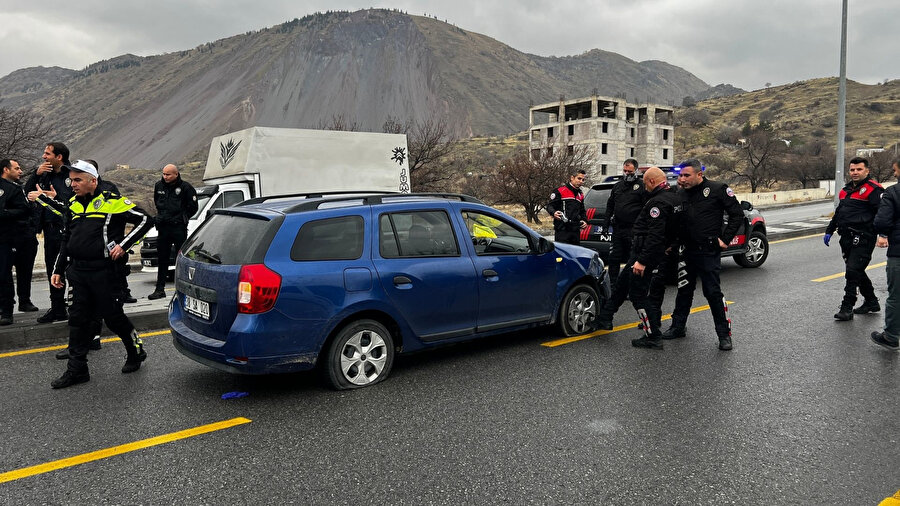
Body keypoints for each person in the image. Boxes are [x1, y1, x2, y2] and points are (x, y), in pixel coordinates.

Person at [35, 160, 154, 388]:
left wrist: (124, 245)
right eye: (71, 180)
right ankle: (77, 369)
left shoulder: (112, 202)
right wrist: (58, 270)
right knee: (78, 319)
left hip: (105, 271)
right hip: (78, 271)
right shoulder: (72, 204)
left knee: (112, 317)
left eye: (78, 180)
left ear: (93, 180)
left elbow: (146, 220)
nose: (73, 184)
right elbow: (66, 240)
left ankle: (135, 351)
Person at [660, 159, 744, 351]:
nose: (682, 179)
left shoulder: (717, 189)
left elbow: (736, 214)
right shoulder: (681, 193)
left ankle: (724, 334)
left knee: (712, 293)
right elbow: (677, 222)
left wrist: (725, 239)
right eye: (680, 175)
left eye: (686, 175)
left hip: (707, 251)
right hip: (686, 250)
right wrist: (671, 244)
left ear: (699, 174)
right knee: (683, 290)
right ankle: (678, 327)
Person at [595, 167, 681, 348]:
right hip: (647, 253)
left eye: (645, 183)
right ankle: (605, 319)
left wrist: (642, 261)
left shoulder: (657, 203)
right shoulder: (675, 199)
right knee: (621, 285)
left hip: (645, 255)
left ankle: (653, 334)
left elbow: (655, 235)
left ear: (651, 181)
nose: (644, 187)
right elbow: (676, 230)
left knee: (637, 295)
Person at [824, 157, 884, 321]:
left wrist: (883, 235)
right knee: (856, 270)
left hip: (864, 237)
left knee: (852, 272)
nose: (855, 172)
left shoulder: (874, 190)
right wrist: (829, 230)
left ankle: (847, 307)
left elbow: (883, 213)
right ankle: (871, 302)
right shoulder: (846, 190)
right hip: (846, 237)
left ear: (867, 170)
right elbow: (839, 212)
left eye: (859, 169)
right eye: (852, 170)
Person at [25, 142, 74, 323]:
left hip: (67, 230)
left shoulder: (71, 175)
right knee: (53, 271)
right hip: (49, 231)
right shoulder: (43, 174)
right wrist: (35, 175)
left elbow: (74, 202)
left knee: (72, 272)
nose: (44, 157)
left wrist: (54, 198)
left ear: (59, 156)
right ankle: (58, 308)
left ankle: (78, 309)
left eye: (47, 153)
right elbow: (27, 193)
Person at [148, 164, 197, 300]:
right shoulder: (159, 186)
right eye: (164, 174)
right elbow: (157, 203)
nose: (165, 177)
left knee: (182, 258)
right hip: (163, 228)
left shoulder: (186, 188)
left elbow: (193, 207)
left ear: (176, 174)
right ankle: (159, 289)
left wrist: (181, 218)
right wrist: (160, 218)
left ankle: (185, 288)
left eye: (168, 174)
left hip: (178, 228)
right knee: (162, 259)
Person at [871, 158, 900, 351]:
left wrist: (883, 234)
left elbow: (882, 221)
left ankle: (890, 336)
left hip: (898, 252)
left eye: (896, 171)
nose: (895, 174)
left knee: (896, 296)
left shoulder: (893, 192)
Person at [603, 158, 646, 285]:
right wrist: (605, 225)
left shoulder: (642, 186)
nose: (627, 173)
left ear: (636, 171)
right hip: (618, 228)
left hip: (633, 229)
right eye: (625, 171)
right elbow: (610, 206)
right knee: (614, 257)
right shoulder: (617, 186)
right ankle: (613, 284)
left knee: (631, 258)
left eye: (630, 171)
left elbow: (645, 207)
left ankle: (629, 284)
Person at [0, 159, 30, 325]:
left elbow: (24, 210)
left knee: (4, 274)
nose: (20, 171)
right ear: (6, 169)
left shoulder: (14, 190)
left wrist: (4, 213)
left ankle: (7, 311)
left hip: (7, 237)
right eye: (16, 168)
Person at [546, 169, 588, 245]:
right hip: (562, 229)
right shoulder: (560, 190)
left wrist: (584, 220)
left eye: (583, 180)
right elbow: (550, 206)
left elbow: (582, 211)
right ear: (572, 178)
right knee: (562, 255)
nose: (581, 181)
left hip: (575, 231)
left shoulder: (580, 194)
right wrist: (554, 213)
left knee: (574, 254)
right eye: (579, 178)